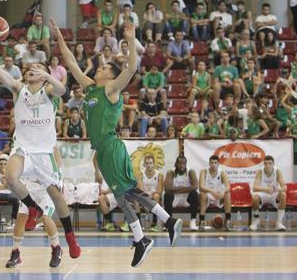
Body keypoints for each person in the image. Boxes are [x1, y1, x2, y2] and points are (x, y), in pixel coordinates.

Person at [54, 17, 181, 267]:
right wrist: (59, 37)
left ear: (110, 75)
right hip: (103, 150)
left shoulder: (111, 89)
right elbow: (71, 63)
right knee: (127, 192)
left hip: (111, 146)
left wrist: (132, 40)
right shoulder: (90, 87)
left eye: (103, 68)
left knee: (123, 194)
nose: (98, 68)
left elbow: (131, 69)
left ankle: (143, 237)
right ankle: (166, 222)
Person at [0, 35, 81, 259]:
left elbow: (62, 90)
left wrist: (46, 74)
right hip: (24, 149)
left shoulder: (50, 92)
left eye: (36, 68)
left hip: (45, 153)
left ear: (44, 75)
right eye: (30, 68)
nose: (31, 69)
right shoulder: (19, 89)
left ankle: (70, 238)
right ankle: (32, 207)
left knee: (57, 197)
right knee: (10, 177)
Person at [6, 172, 63, 268]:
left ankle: (56, 248)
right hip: (29, 187)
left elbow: (57, 163)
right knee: (21, 217)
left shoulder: (49, 157)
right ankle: (15, 253)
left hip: (48, 187)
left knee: (45, 217)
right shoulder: (24, 157)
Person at [250, 156, 288, 231]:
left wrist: (276, 189)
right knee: (255, 198)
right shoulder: (260, 171)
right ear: (263, 164)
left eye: (269, 163)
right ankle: (256, 220)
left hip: (273, 194)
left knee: (283, 194)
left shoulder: (277, 171)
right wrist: (266, 189)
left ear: (273, 164)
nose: (267, 165)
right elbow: (255, 188)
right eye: (265, 163)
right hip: (263, 193)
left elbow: (285, 187)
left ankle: (279, 222)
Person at [164, 156, 199, 231]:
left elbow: (195, 186)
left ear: (186, 164)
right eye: (180, 163)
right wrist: (186, 189)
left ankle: (193, 221)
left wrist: (175, 189)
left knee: (195, 193)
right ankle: (169, 222)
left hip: (186, 199)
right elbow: (167, 188)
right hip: (175, 199)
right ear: (176, 164)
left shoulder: (190, 171)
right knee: (167, 194)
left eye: (184, 163)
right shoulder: (170, 172)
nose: (182, 165)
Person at [198, 155, 232, 231]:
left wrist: (223, 191)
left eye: (215, 163)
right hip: (208, 195)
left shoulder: (222, 172)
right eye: (212, 163)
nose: (213, 165)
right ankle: (202, 221)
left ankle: (228, 220)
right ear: (209, 163)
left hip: (218, 196)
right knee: (203, 194)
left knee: (227, 194)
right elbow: (200, 187)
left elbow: (228, 186)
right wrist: (212, 191)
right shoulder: (204, 171)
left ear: (218, 164)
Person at [136, 155, 164, 231]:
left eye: (150, 163)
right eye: (147, 163)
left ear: (154, 164)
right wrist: (146, 197)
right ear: (144, 164)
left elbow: (160, 190)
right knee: (136, 199)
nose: (148, 165)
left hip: (153, 196)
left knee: (157, 196)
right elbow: (141, 189)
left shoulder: (159, 175)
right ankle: (139, 224)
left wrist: (150, 196)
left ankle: (154, 223)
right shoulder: (139, 174)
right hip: (143, 196)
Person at [0, 157, 20, 227]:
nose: (3, 165)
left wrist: (5, 176)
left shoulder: (11, 175)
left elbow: (12, 187)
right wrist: (7, 186)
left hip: (8, 194)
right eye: (1, 164)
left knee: (16, 199)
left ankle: (13, 219)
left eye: (5, 164)